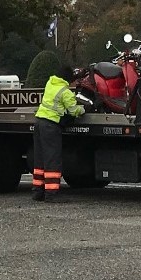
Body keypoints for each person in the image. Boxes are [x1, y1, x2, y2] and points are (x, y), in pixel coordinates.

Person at [32, 68, 84, 201]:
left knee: (40, 159)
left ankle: (38, 192)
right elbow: (74, 111)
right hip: (51, 125)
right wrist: (83, 108)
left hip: (38, 122)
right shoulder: (65, 92)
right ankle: (51, 194)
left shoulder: (50, 84)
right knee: (52, 159)